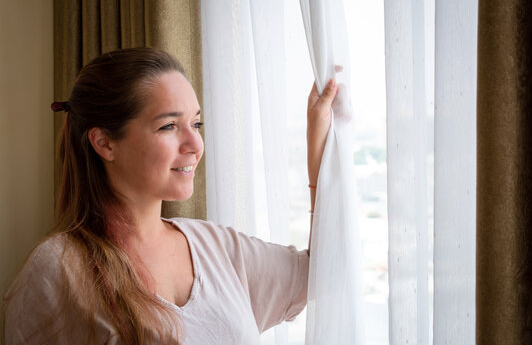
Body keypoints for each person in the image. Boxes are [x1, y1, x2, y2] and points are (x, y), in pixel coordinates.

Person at [3, 48, 337, 344]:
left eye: (196, 124)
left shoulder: (214, 246)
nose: (195, 146)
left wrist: (319, 140)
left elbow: (325, 271)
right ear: (104, 142)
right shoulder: (57, 270)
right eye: (169, 126)